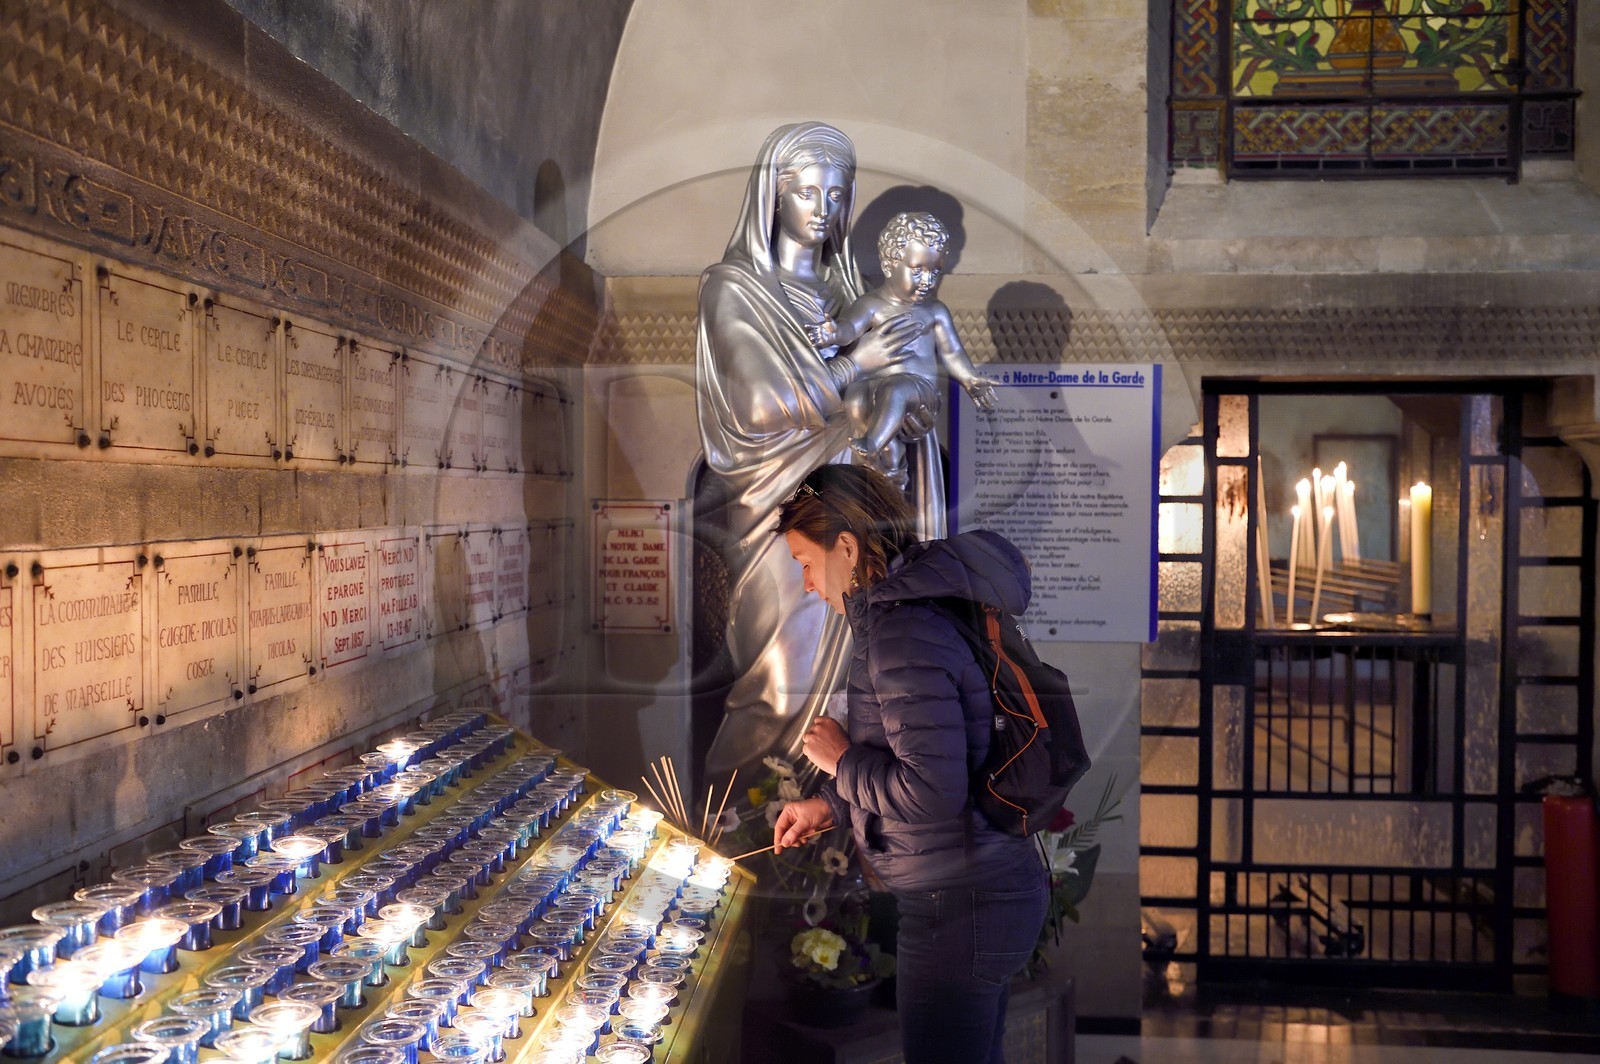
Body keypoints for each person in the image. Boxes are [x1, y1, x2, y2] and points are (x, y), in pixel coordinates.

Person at [771, 463, 1049, 1064]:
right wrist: (830, 803)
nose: (807, 584)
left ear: (847, 548)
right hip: (978, 891)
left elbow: (930, 791)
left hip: (959, 907)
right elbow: (927, 755)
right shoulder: (913, 613)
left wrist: (841, 761)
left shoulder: (902, 633)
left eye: (806, 563)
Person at [694, 123, 940, 776]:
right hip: (775, 512)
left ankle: (843, 804)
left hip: (856, 511)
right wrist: (857, 362)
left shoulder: (853, 296)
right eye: (807, 192)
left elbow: (904, 390)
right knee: (779, 682)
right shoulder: (733, 289)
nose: (823, 209)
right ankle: (751, 806)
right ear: (773, 197)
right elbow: (760, 405)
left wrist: (912, 411)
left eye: (836, 194)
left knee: (864, 675)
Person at [805, 212, 997, 486]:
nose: (927, 280)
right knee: (856, 397)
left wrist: (969, 378)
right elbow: (850, 329)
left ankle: (873, 443)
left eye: (935, 271)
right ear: (889, 265)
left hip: (919, 391)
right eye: (918, 270)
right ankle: (888, 456)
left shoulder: (934, 310)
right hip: (876, 387)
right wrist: (832, 333)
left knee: (896, 389)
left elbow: (952, 352)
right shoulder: (870, 304)